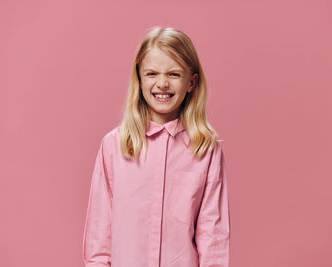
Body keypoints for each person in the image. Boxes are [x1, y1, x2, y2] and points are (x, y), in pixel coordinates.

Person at [82, 26, 230, 267]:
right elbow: (99, 238)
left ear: (191, 82)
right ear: (139, 79)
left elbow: (213, 235)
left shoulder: (206, 149)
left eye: (173, 74)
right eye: (152, 73)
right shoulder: (114, 145)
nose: (162, 83)